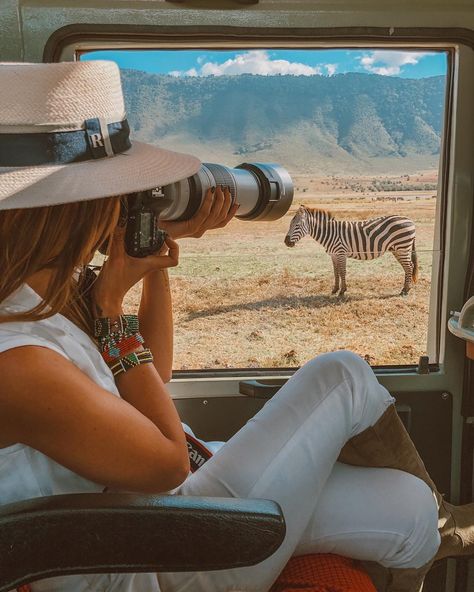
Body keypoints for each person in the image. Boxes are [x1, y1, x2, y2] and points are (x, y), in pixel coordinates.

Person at [0, 60, 472, 592]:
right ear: (65, 210)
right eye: (115, 192)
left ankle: (441, 524)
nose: (121, 204)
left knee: (410, 513)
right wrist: (110, 306)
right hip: (150, 562)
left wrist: (154, 269)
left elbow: (154, 377)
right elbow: (166, 463)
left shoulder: (42, 296)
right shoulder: (18, 362)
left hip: (150, 517)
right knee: (341, 375)